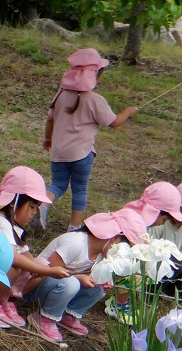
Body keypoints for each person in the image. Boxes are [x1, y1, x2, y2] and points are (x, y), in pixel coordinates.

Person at [40, 49, 137, 231]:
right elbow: (114, 122)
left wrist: (47, 138)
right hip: (82, 155)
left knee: (58, 184)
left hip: (58, 152)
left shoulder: (60, 95)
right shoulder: (95, 100)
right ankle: (73, 227)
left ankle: (43, 203)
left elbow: (50, 119)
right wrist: (128, 112)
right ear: (95, 76)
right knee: (79, 190)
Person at [24, 209, 146, 342]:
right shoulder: (75, 243)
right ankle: (44, 318)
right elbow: (46, 272)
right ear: (115, 238)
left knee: (98, 287)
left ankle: (67, 315)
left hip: (59, 289)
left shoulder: (101, 254)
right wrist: (19, 294)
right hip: (34, 288)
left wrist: (98, 281)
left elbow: (87, 275)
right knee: (72, 283)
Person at [0, 166, 70, 328]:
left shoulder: (14, 226)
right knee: (14, 267)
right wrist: (49, 272)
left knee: (41, 263)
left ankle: (6, 299)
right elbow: (14, 257)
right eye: (31, 207)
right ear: (13, 202)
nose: (33, 213)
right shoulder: (2, 223)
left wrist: (39, 268)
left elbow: (25, 253)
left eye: (36, 209)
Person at [106, 182, 182, 322]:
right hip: (113, 258)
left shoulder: (134, 215)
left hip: (114, 257)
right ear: (155, 211)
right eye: (164, 219)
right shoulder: (136, 224)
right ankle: (118, 304)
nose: (162, 223)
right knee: (138, 273)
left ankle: (120, 299)